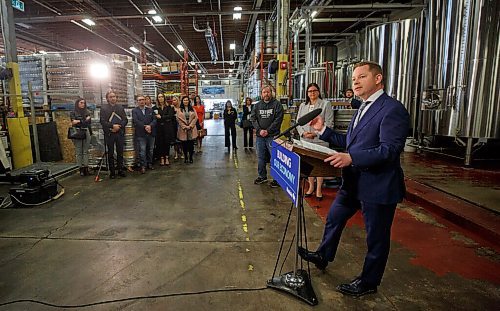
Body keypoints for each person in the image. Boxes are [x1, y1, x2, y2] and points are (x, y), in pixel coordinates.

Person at [298, 61, 410, 297]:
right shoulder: (363, 107)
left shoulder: (392, 109)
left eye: (361, 77)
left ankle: (369, 282)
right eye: (353, 79)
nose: (355, 82)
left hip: (377, 185)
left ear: (378, 79)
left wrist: (352, 158)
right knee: (334, 218)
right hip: (353, 183)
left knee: (376, 237)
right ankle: (323, 255)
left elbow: (389, 150)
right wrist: (323, 131)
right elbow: (352, 143)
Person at [296, 83, 334, 201]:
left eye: (314, 91)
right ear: (307, 93)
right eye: (310, 91)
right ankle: (311, 187)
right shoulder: (303, 105)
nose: (312, 93)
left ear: (318, 92)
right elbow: (298, 122)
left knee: (319, 165)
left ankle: (319, 189)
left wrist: (316, 133)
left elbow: (329, 123)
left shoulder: (325, 104)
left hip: (320, 140)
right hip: (305, 140)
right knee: (308, 165)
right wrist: (303, 133)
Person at [250, 86, 284, 188]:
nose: (266, 94)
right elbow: (253, 119)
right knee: (261, 157)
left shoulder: (277, 105)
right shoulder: (257, 106)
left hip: (273, 136)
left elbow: (278, 119)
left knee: (274, 158)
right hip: (260, 137)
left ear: (271, 93)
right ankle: (262, 176)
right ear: (262, 94)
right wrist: (260, 130)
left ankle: (276, 179)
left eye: (268, 92)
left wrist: (268, 131)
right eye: (264, 92)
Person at [100, 90, 128, 179]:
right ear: (107, 98)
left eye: (114, 96)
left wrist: (119, 126)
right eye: (111, 97)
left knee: (120, 152)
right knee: (111, 153)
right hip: (109, 134)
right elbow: (102, 121)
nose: (113, 98)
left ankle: (120, 169)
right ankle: (112, 171)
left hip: (119, 133)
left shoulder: (120, 108)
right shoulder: (103, 108)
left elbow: (125, 119)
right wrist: (112, 126)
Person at [132, 95, 157, 174]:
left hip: (150, 133)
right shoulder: (135, 111)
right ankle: (143, 165)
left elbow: (154, 120)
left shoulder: (150, 110)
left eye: (143, 99)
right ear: (137, 101)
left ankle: (149, 163)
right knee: (142, 151)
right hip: (141, 134)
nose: (141, 101)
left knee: (150, 150)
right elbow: (136, 121)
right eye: (139, 100)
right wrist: (145, 127)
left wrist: (150, 126)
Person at [70, 98, 92, 176]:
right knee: (79, 151)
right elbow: (73, 122)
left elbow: (88, 122)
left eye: (84, 103)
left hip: (86, 131)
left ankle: (86, 167)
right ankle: (81, 169)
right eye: (81, 103)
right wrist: (83, 120)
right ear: (77, 103)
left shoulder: (87, 112)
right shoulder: (73, 112)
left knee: (85, 151)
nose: (83, 104)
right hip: (77, 132)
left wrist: (79, 121)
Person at [154, 93, 176, 166]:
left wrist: (161, 117)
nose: (160, 98)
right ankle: (161, 158)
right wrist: (164, 117)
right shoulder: (155, 108)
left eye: (161, 97)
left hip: (167, 128)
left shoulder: (169, 107)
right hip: (158, 128)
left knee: (167, 143)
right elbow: (154, 117)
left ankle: (166, 157)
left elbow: (170, 116)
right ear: (157, 99)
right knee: (160, 144)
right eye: (159, 97)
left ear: (164, 98)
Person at [176, 96, 199, 163]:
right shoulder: (179, 110)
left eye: (187, 100)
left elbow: (196, 118)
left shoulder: (193, 109)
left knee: (191, 145)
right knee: (184, 145)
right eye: (184, 100)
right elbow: (178, 119)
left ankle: (191, 157)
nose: (186, 101)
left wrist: (190, 126)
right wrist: (184, 126)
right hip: (183, 130)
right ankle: (186, 157)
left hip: (191, 129)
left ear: (189, 101)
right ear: (182, 101)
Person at [171, 96, 184, 160]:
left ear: (178, 100)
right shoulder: (171, 108)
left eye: (175, 100)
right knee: (175, 140)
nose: (173, 101)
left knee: (181, 139)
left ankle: (181, 152)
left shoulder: (181, 108)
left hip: (180, 125)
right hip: (173, 125)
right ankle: (176, 153)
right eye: (173, 100)